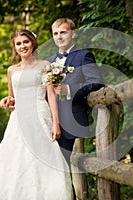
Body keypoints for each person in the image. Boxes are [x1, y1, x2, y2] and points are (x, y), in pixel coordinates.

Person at [0, 29, 72, 199]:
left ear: (33, 42)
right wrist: (7, 100)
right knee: (16, 155)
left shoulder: (45, 66)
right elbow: (13, 98)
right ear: (14, 47)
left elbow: (51, 96)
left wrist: (56, 123)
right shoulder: (11, 70)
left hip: (40, 114)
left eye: (26, 42)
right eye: (18, 43)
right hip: (18, 118)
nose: (22, 46)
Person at [47, 18, 104, 165]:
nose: (59, 36)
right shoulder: (49, 61)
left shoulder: (83, 56)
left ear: (73, 34)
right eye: (55, 33)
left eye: (63, 32)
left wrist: (70, 89)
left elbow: (96, 82)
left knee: (64, 166)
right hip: (47, 120)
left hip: (71, 119)